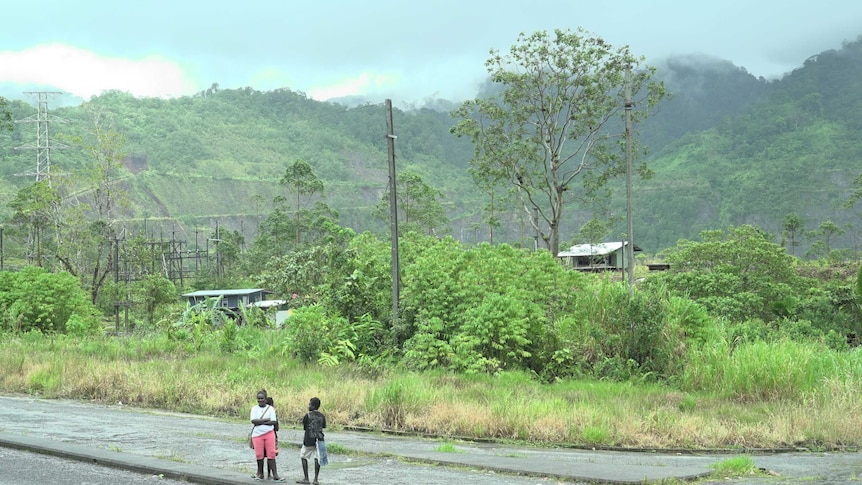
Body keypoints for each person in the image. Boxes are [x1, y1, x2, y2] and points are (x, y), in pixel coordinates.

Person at [250, 389, 284, 482]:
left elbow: (273, 422)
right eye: (259, 398)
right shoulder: (254, 409)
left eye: (262, 398)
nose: (260, 400)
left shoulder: (270, 409)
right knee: (259, 455)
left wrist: (260, 422)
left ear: (265, 399)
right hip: (257, 435)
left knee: (271, 454)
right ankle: (260, 473)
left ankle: (275, 475)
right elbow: (253, 421)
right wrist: (266, 420)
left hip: (269, 434)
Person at [297, 396, 326, 485]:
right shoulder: (322, 416)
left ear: (313, 406)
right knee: (317, 458)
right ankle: (316, 479)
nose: (308, 406)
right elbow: (323, 426)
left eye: (309, 404)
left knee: (303, 456)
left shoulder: (307, 416)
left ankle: (306, 478)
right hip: (320, 439)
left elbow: (305, 427)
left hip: (309, 439)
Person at [264, 396, 280, 479]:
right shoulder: (273, 413)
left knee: (262, 455)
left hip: (261, 435)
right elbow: (277, 428)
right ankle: (270, 473)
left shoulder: (261, 412)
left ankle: (262, 473)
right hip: (272, 436)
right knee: (271, 456)